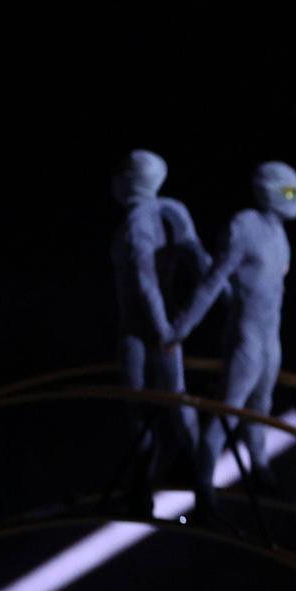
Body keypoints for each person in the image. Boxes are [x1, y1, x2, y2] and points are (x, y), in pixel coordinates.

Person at [173, 161, 296, 504]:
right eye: (289, 192)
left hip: (269, 337)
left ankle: (259, 467)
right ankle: (203, 485)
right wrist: (182, 327)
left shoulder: (279, 236)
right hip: (246, 335)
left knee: (261, 406)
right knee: (226, 411)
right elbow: (213, 282)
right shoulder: (244, 227)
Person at [108, 149, 209, 485]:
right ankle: (192, 478)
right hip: (159, 325)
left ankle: (149, 484)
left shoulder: (139, 221)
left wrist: (167, 329)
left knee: (143, 407)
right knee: (174, 401)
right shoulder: (171, 210)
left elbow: (145, 281)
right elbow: (203, 264)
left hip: (143, 328)